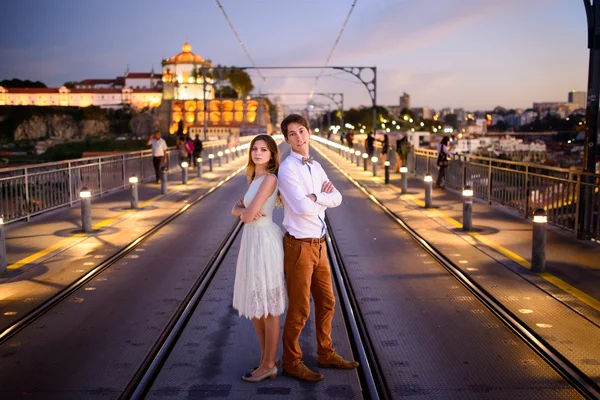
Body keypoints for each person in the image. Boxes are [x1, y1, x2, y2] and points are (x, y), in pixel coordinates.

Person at [278, 114, 359, 383]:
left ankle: (325, 352)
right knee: (300, 309)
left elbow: (338, 197)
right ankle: (291, 361)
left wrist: (317, 198)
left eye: (302, 131)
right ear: (286, 139)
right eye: (292, 134)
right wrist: (319, 200)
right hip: (300, 246)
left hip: (321, 245)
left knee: (327, 302)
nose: (299, 137)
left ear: (309, 132)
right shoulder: (288, 168)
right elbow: (301, 208)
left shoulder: (316, 165)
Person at [231, 134, 287, 383]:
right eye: (255, 149)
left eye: (264, 149)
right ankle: (267, 358)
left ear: (272, 154)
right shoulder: (254, 177)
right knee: (256, 305)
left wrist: (241, 211)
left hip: (264, 241)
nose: (257, 153)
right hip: (251, 241)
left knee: (269, 307)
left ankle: (268, 364)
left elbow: (244, 214)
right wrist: (241, 210)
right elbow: (239, 211)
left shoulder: (270, 178)